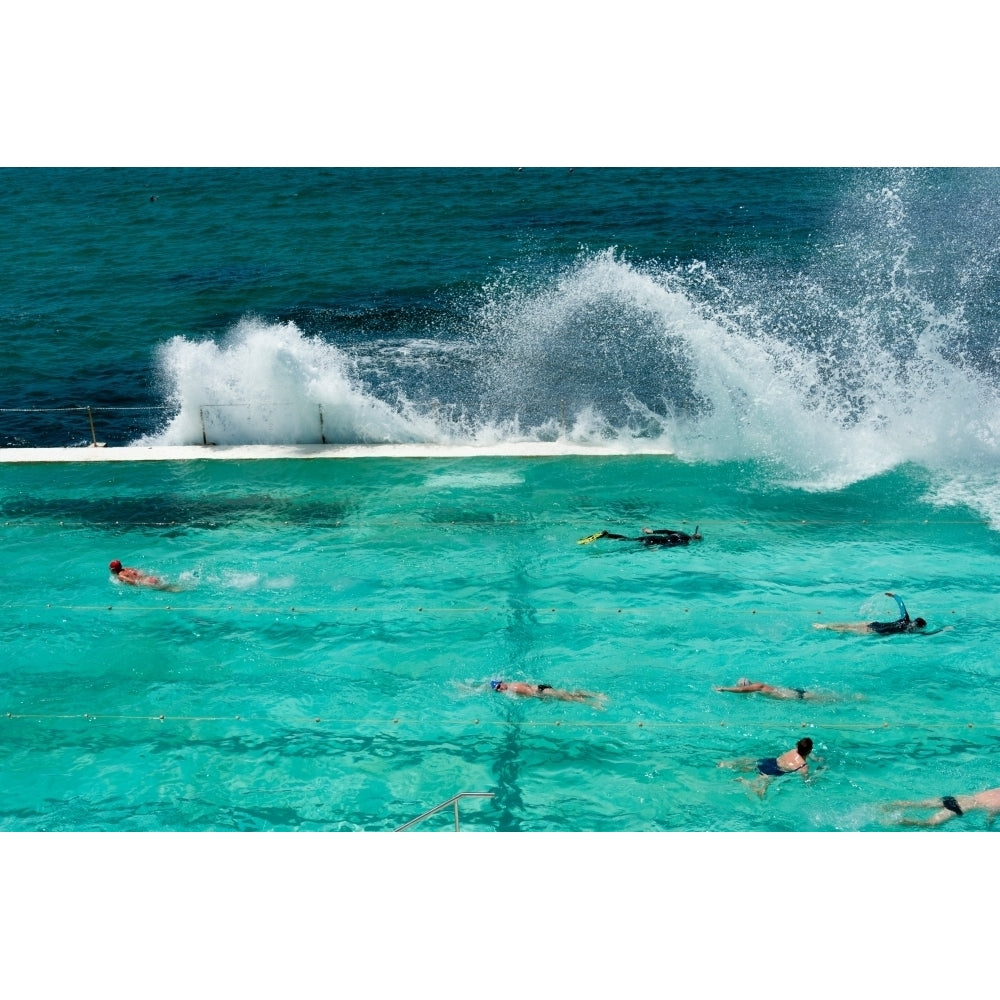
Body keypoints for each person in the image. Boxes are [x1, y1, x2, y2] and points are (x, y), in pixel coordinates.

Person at [718, 737, 814, 797]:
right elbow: (806, 781)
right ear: (809, 751)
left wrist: (816, 758)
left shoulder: (794, 750)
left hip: (770, 761)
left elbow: (804, 753)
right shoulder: (803, 767)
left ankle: (726, 764)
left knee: (751, 766)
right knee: (760, 791)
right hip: (774, 771)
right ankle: (743, 781)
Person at [812, 592, 927, 634]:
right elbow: (924, 634)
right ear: (918, 626)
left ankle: (825, 624)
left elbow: (901, 604)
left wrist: (894, 595)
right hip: (876, 630)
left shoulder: (905, 618)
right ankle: (824, 627)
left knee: (848, 624)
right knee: (847, 630)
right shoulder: (909, 630)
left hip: (875, 623)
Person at [886, 786, 1000, 827]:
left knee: (918, 804)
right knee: (930, 823)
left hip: (956, 798)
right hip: (961, 807)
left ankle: (887, 806)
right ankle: (899, 821)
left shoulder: (997, 789)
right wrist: (989, 823)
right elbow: (992, 813)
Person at [490, 679, 606, 707]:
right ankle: (596, 695)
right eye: (497, 690)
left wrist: (541, 697)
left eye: (499, 686)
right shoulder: (511, 684)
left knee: (569, 698)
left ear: (502, 682)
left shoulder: (513, 688)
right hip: (542, 688)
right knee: (569, 694)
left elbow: (530, 692)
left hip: (542, 691)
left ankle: (594, 704)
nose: (499, 689)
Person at [578, 525, 702, 546]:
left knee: (629, 539)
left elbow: (666, 530)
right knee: (629, 545)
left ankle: (607, 535)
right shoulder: (685, 541)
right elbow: (670, 544)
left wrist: (651, 531)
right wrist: (656, 548)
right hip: (655, 542)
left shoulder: (682, 533)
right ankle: (606, 536)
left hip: (652, 537)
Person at [109, 559, 181, 592]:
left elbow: (133, 582)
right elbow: (141, 572)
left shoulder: (120, 576)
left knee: (170, 590)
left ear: (113, 570)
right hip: (150, 578)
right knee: (169, 585)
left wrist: (141, 585)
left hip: (146, 582)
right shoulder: (128, 568)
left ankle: (179, 589)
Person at [715, 678, 821, 701]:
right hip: (793, 692)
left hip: (796, 696)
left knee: (830, 700)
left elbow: (742, 691)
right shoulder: (758, 686)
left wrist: (724, 689)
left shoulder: (757, 686)